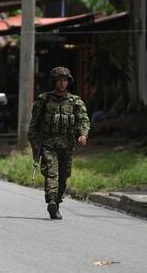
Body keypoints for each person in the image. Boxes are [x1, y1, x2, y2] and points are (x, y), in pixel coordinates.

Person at [28, 67, 90, 220]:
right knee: (51, 172)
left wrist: (83, 134)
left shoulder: (75, 101)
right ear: (54, 82)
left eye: (65, 80)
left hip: (67, 145)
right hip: (48, 143)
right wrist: (35, 144)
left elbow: (83, 120)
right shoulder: (44, 100)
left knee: (63, 176)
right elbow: (34, 125)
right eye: (59, 80)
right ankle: (51, 201)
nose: (62, 83)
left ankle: (57, 202)